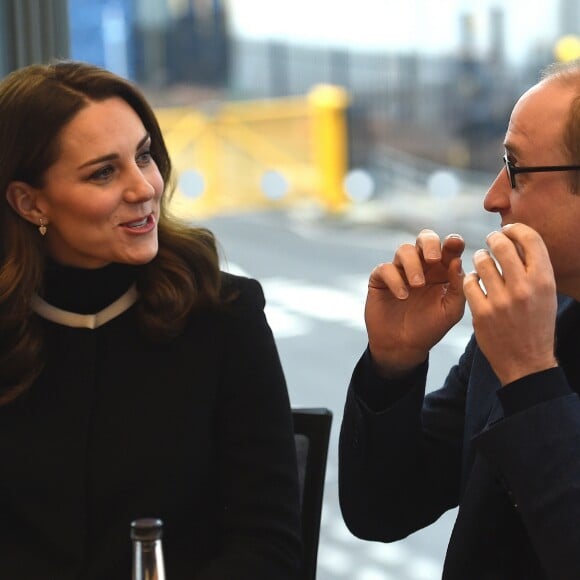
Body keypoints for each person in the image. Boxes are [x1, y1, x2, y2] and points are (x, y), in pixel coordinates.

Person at [0, 60, 301, 579]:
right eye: (103, 172)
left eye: (144, 156)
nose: (144, 188)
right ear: (29, 203)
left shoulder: (223, 316)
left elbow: (269, 548)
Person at [339, 58, 580, 579]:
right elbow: (381, 508)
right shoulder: (537, 308)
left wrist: (532, 377)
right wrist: (394, 367)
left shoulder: (523, 333)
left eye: (515, 168)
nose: (492, 197)